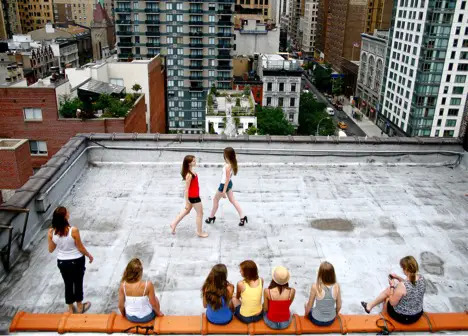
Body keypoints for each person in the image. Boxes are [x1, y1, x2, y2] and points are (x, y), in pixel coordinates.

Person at [47, 206, 93, 314]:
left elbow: (51, 249)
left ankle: (70, 308)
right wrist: (89, 255)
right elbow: (80, 247)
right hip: (77, 261)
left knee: (68, 284)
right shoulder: (73, 231)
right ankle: (80, 306)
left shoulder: (51, 232)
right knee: (78, 282)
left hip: (62, 262)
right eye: (67, 212)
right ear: (65, 216)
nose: (69, 213)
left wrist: (55, 240)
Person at [361, 256, 426, 324]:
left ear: (405, 269)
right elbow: (411, 285)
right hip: (417, 314)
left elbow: (392, 303)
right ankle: (369, 306)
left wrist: (392, 286)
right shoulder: (421, 278)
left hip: (405, 318)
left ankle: (383, 321)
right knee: (390, 291)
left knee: (387, 300)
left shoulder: (402, 285)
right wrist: (397, 277)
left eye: (402, 268)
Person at [205, 147, 247, 226]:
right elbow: (228, 179)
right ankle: (242, 216)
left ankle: (211, 217)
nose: (223, 155)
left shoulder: (228, 166)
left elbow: (226, 179)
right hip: (228, 184)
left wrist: (223, 191)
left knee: (215, 200)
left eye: (224, 153)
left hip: (224, 185)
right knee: (233, 200)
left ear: (227, 155)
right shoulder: (231, 164)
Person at [170, 155, 208, 238]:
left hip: (194, 196)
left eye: (195, 160)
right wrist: (187, 202)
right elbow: (186, 189)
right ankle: (199, 232)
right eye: (193, 161)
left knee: (186, 211)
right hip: (193, 197)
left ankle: (173, 224)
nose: (195, 162)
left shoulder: (192, 172)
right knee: (200, 213)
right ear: (189, 163)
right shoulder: (189, 175)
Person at [118, 258, 164, 323]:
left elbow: (120, 305)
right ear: (140, 272)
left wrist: (124, 315)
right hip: (146, 317)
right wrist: (158, 313)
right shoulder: (148, 285)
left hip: (130, 317)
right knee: (155, 298)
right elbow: (153, 304)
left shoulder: (123, 285)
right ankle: (158, 314)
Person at [304, 262, 342, 326]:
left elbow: (309, 306)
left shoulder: (315, 286)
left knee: (306, 305)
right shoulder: (337, 286)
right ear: (333, 274)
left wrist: (306, 315)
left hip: (316, 320)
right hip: (331, 320)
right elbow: (339, 306)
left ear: (320, 274)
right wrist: (334, 314)